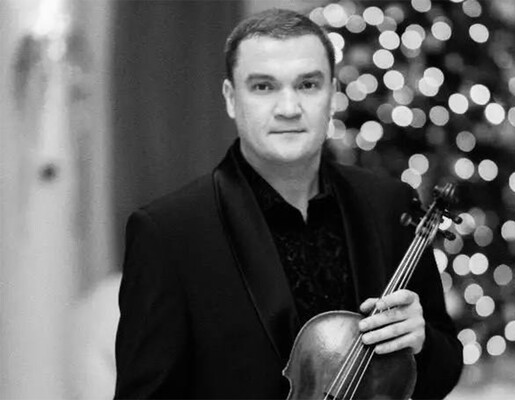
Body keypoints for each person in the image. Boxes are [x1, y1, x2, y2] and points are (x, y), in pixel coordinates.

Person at [115, 8, 462, 399]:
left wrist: (421, 343)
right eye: (263, 87)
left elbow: (443, 368)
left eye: (308, 85)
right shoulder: (168, 233)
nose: (289, 108)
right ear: (231, 98)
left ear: (332, 94)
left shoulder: (389, 204)